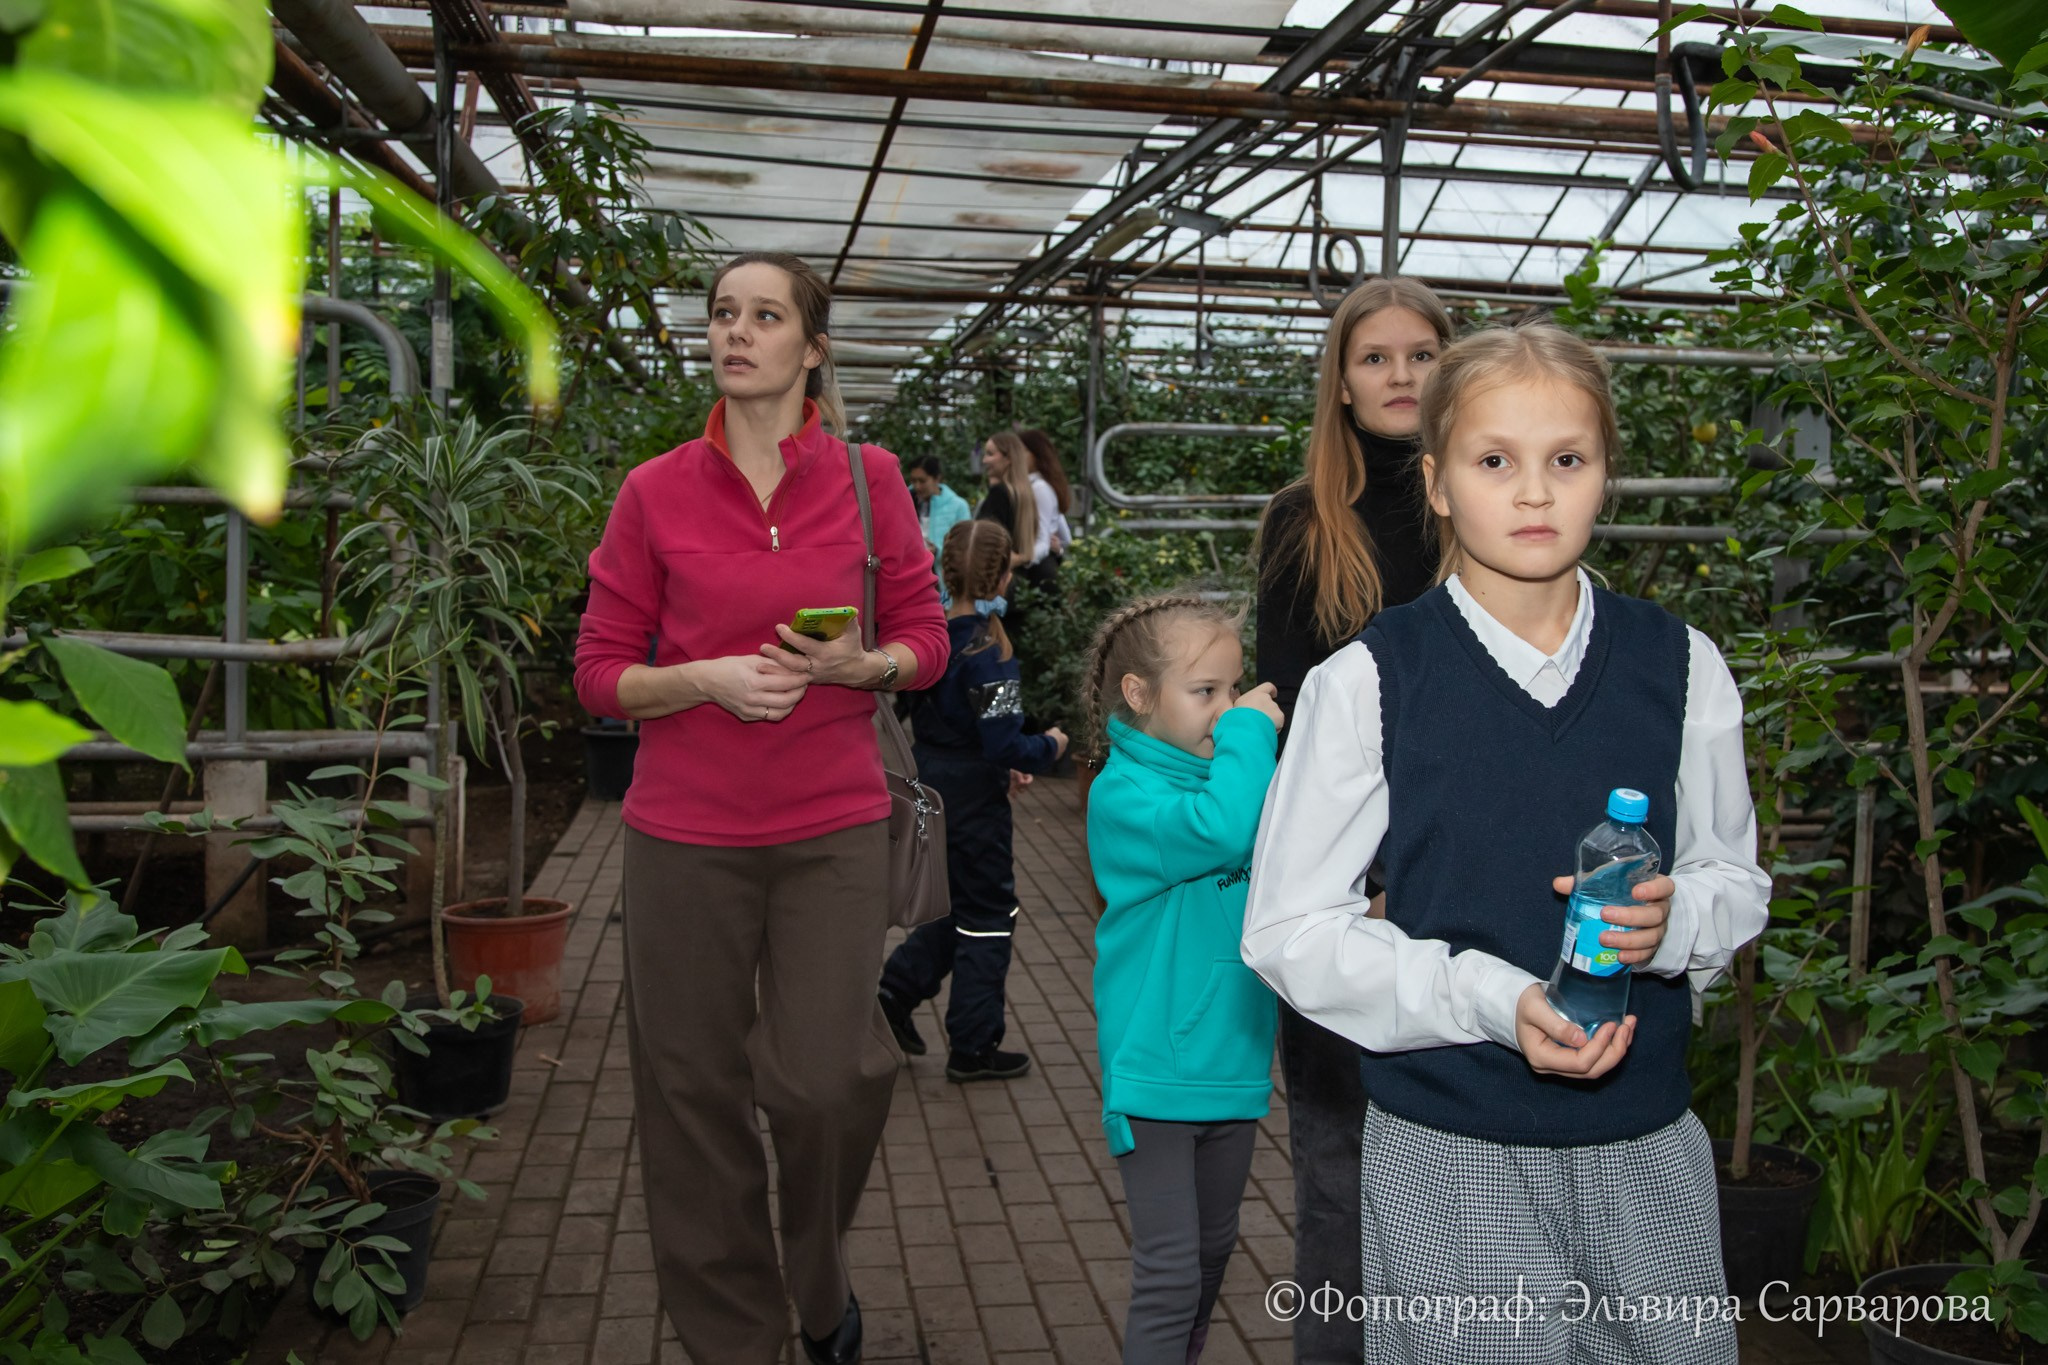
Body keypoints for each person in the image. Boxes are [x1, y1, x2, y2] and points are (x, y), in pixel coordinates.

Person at [1242, 323, 1768, 1365]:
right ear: (1436, 484)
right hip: (1449, 1149)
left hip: (1645, 1140)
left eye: (1564, 460)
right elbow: (1289, 927)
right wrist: (1488, 997)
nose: (1533, 493)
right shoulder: (1370, 680)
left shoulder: (1679, 665)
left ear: (1604, 476)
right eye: (1495, 462)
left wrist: (1673, 923)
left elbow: (1730, 874)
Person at [573, 251, 950, 1365]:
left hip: (832, 822)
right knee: (690, 1094)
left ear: (812, 348)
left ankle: (816, 1278)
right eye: (723, 313)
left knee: (831, 1079)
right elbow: (598, 673)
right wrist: (703, 679)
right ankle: (733, 1335)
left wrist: (862, 669)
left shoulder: (869, 476)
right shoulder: (654, 490)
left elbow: (926, 643)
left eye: (766, 315)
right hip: (681, 836)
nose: (736, 332)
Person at [1250, 276, 1452, 1364]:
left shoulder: (1482, 504)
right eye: (1374, 357)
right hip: (1338, 891)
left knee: (1464, 1170)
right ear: (1338, 380)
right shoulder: (1301, 522)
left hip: (1464, 881)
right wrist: (1355, 875)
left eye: (1420, 354)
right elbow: (1285, 718)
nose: (1399, 376)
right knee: (1336, 1173)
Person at [1083, 593, 1284, 1364]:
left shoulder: (1227, 775)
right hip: (1158, 1073)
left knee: (1212, 1254)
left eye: (1235, 689)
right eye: (1206, 692)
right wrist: (1246, 735)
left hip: (1231, 1064)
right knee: (1169, 1275)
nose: (1226, 708)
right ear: (1140, 695)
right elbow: (1223, 830)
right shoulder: (1125, 795)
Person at [876, 520, 1068, 1081]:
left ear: (944, 572)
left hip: (932, 788)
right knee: (988, 915)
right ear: (1004, 573)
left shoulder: (929, 638)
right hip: (974, 805)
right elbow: (1004, 740)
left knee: (957, 904)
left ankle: (893, 995)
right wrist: (1051, 745)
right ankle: (973, 1045)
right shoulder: (990, 651)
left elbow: (925, 717)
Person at [1018, 426, 1074, 562]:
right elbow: (1065, 537)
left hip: (1037, 564)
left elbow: (1044, 540)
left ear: (1035, 455)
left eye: (1022, 452)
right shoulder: (1041, 485)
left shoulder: (1039, 487)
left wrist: (1019, 560)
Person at [908, 454, 972, 557]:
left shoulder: (958, 507)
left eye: (922, 481)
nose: (917, 486)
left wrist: (939, 551)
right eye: (913, 481)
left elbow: (966, 545)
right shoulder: (907, 502)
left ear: (937, 478)